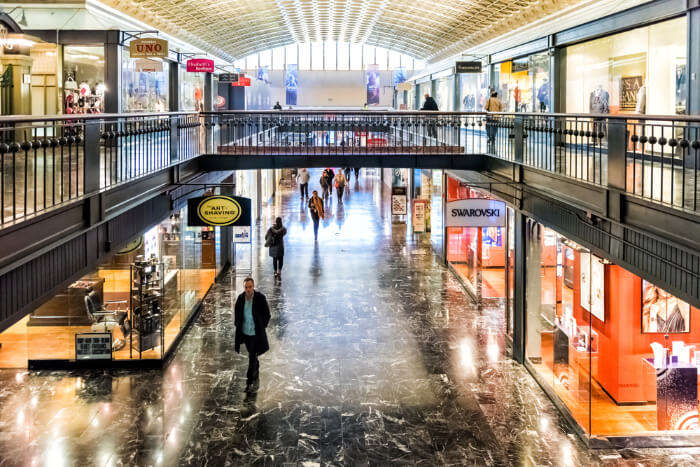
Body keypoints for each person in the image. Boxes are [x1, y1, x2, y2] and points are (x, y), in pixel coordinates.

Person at [234, 277, 271, 393]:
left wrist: (261, 326)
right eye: (246, 287)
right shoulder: (240, 299)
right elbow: (237, 315)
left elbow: (267, 315)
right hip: (246, 333)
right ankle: (256, 365)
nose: (248, 289)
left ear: (253, 287)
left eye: (250, 287)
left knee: (251, 355)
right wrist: (238, 325)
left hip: (255, 333)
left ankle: (249, 380)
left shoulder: (260, 298)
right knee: (252, 354)